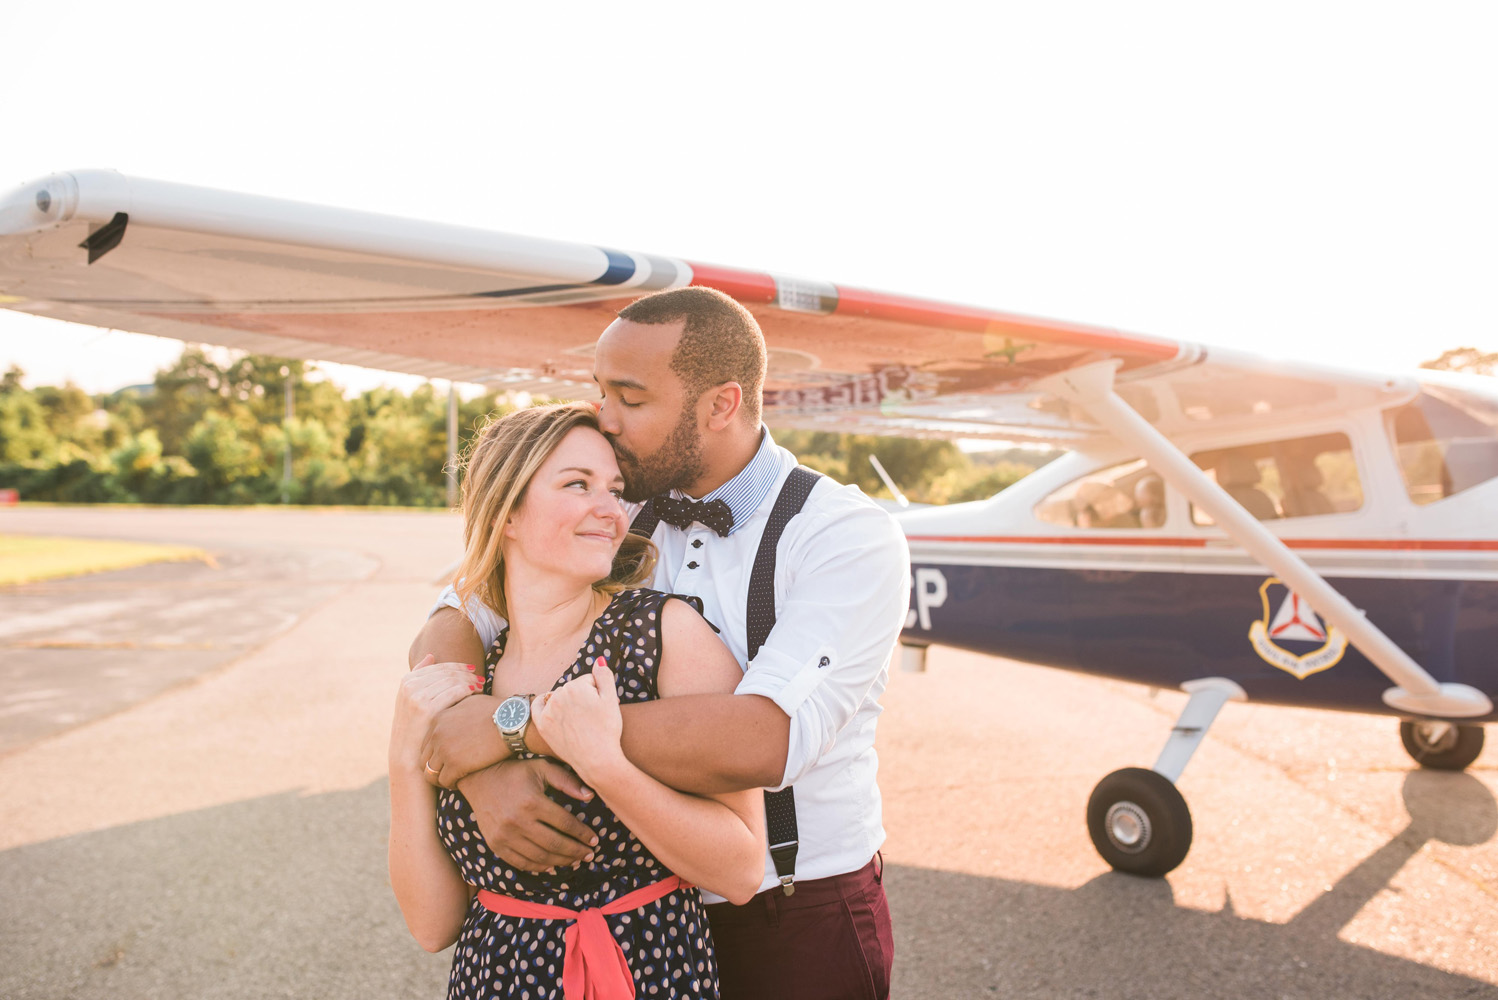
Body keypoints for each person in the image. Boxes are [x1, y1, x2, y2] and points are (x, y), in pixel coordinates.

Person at [413, 286, 911, 1000]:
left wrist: (507, 730)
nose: (603, 420)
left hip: (791, 916)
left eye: (631, 398)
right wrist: (474, 773)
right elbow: (451, 620)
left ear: (721, 405)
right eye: (600, 391)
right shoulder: (613, 505)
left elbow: (762, 739)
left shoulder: (843, 536)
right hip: (636, 920)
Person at [389, 401, 766, 999]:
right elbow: (433, 927)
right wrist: (405, 765)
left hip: (649, 976)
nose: (611, 511)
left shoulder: (665, 633)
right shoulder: (465, 675)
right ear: (507, 512)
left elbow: (743, 871)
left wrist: (605, 764)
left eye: (615, 491)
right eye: (577, 485)